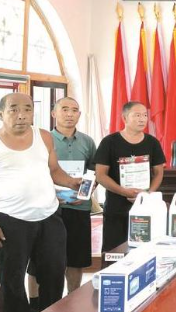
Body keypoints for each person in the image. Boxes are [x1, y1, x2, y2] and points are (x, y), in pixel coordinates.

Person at [0, 93, 80, 312]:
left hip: (49, 216)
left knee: (54, 274)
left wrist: (72, 182)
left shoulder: (44, 136)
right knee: (11, 280)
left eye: (27, 109)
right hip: (10, 219)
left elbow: (54, 170)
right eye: (14, 109)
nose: (21, 115)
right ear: (2, 113)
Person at [27, 97, 97, 304]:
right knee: (39, 260)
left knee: (76, 258)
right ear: (53, 113)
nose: (69, 114)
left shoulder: (87, 142)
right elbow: (34, 174)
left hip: (78, 207)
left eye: (74, 110)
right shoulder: (42, 140)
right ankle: (35, 304)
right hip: (47, 209)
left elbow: (94, 173)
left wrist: (86, 192)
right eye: (64, 109)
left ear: (79, 115)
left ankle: (71, 301)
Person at [95, 101, 165, 252]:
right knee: (114, 253)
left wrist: (147, 194)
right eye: (137, 115)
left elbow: (159, 172)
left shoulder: (152, 142)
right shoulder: (109, 142)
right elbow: (100, 175)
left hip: (145, 207)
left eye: (145, 115)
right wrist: (123, 191)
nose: (142, 119)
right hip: (116, 207)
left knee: (144, 251)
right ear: (125, 118)